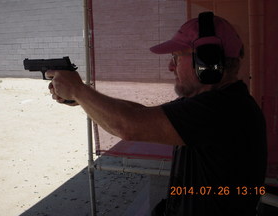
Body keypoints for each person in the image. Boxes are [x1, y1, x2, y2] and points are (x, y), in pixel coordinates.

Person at [46, 12, 267, 216]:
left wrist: (78, 89)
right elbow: (141, 114)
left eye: (177, 57)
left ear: (208, 62)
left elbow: (129, 125)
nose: (171, 66)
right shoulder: (220, 102)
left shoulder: (222, 109)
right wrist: (82, 99)